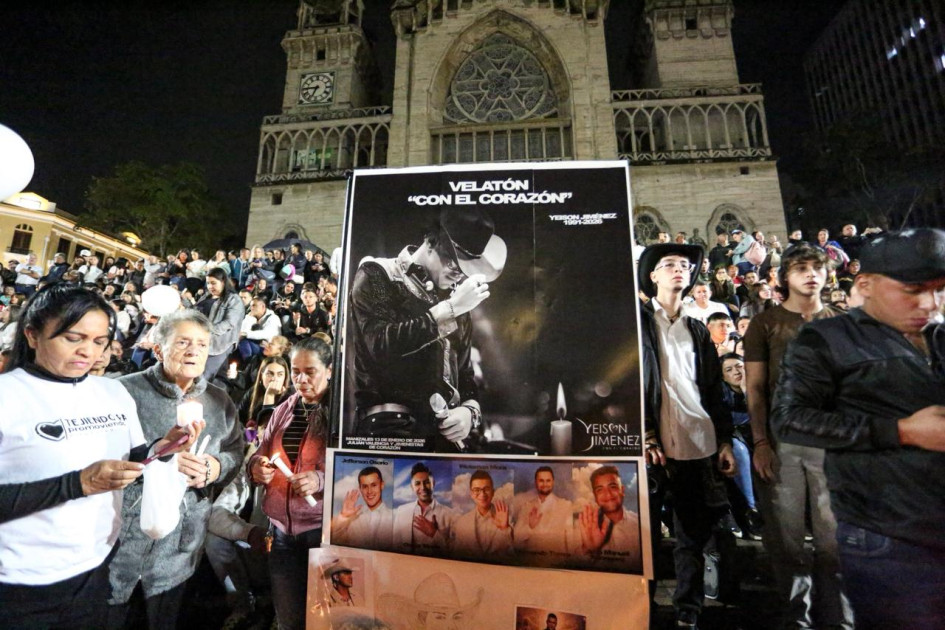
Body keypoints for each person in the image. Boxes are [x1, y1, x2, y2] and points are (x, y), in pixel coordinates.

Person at [772, 229, 945, 630]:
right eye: (912, 289)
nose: (929, 304)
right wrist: (900, 431)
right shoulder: (827, 339)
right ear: (865, 285)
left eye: (939, 290)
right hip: (887, 537)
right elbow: (791, 418)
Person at [0, 285, 197, 629]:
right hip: (19, 584)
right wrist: (76, 484)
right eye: (72, 338)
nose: (87, 352)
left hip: (94, 572)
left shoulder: (111, 391)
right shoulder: (8, 396)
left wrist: (162, 448)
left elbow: (132, 454)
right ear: (32, 335)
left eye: (98, 341)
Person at [107, 309, 243, 630]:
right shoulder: (123, 392)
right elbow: (101, 457)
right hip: (122, 539)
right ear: (158, 347)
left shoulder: (220, 401)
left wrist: (214, 467)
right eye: (183, 342)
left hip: (180, 547)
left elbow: (235, 452)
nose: (194, 351)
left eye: (202, 344)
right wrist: (160, 460)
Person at [742, 242, 852, 630]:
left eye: (816, 267)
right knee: (788, 546)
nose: (811, 274)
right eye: (801, 268)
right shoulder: (765, 324)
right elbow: (754, 388)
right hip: (783, 444)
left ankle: (841, 621)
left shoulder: (842, 322)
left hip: (833, 446)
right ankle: (798, 621)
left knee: (834, 544)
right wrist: (759, 443)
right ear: (784, 277)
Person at [638, 242, 737, 629]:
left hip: (698, 441)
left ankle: (689, 611)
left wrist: (725, 440)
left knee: (691, 536)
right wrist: (644, 433)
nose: (680, 269)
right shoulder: (637, 323)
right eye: (669, 264)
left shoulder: (697, 328)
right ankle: (639, 610)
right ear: (653, 275)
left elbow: (714, 391)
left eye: (685, 265)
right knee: (644, 538)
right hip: (653, 446)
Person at [349, 207, 506, 450]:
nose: (460, 273)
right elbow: (380, 345)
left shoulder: (457, 300)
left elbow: (465, 376)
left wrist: (468, 413)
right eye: (454, 261)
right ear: (431, 241)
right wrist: (450, 309)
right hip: (388, 432)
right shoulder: (377, 273)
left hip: (443, 440)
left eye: (467, 266)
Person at [249, 336, 333, 630]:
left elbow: (356, 469)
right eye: (295, 371)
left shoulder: (341, 413)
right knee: (288, 618)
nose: (301, 379)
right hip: (282, 533)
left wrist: (319, 479)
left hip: (320, 532)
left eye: (310, 371)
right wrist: (256, 467)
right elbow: (263, 449)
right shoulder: (286, 408)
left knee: (324, 617)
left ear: (330, 371)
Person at [577, 465, 642, 570]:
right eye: (600, 490)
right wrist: (589, 549)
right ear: (595, 496)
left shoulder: (640, 524)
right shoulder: (584, 528)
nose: (607, 494)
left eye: (613, 487)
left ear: (622, 490)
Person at [392, 462, 458, 556]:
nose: (423, 487)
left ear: (433, 483)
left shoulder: (449, 515)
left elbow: (454, 552)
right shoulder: (401, 511)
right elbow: (395, 548)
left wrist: (435, 534)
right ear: (412, 487)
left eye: (427, 482)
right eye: (417, 483)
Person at [513, 466, 573, 560]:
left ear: (553, 482)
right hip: (531, 565)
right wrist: (530, 527)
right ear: (536, 483)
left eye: (548, 480)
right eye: (541, 480)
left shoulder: (566, 506)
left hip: (557, 566)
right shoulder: (526, 507)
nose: (545, 484)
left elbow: (571, 542)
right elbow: (516, 541)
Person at [451, 470, 513, 559]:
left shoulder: (508, 520)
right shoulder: (461, 523)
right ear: (471, 494)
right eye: (477, 490)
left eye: (486, 489)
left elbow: (514, 557)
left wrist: (505, 529)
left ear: (493, 492)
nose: (482, 494)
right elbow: (457, 557)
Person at [331, 466, 393, 550]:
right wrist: (343, 516)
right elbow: (334, 542)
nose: (369, 491)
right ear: (360, 488)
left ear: (382, 485)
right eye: (365, 486)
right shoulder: (351, 518)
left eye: (374, 485)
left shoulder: (395, 517)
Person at [204, 266, 246, 381]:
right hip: (205, 341)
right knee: (219, 377)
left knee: (204, 376)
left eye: (213, 283)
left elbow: (228, 323)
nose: (210, 287)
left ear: (223, 282)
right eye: (208, 283)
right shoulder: (207, 296)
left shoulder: (234, 300)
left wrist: (206, 331)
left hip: (221, 344)